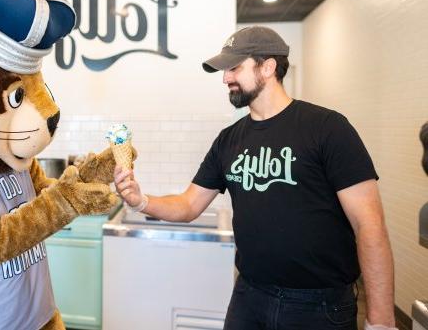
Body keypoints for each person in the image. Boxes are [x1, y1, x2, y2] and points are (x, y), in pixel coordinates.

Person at [114, 26, 397, 330]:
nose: (225, 78)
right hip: (250, 296)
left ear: (269, 67)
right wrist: (140, 201)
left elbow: (369, 225)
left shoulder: (327, 128)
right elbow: (188, 204)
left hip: (318, 306)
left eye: (234, 67)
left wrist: (380, 321)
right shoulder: (229, 140)